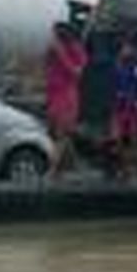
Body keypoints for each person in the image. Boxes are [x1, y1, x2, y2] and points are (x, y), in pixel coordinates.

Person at [44, 22, 87, 179]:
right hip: (53, 94)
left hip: (66, 95)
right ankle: (68, 164)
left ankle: (54, 170)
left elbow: (76, 72)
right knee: (53, 132)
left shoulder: (77, 50)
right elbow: (47, 69)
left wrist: (61, 54)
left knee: (61, 133)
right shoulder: (52, 50)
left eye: (55, 34)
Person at [111, 35, 137, 182]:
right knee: (119, 138)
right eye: (122, 48)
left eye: (125, 48)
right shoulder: (119, 63)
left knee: (132, 138)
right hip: (121, 105)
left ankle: (132, 168)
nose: (123, 51)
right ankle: (122, 167)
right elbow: (116, 84)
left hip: (134, 105)